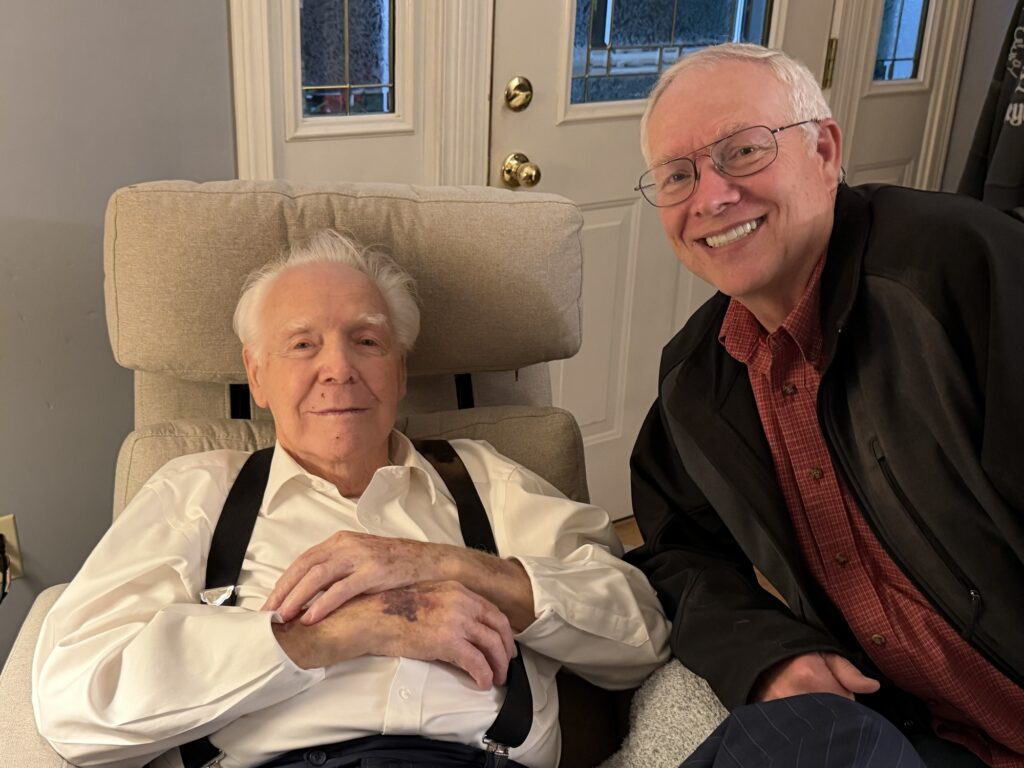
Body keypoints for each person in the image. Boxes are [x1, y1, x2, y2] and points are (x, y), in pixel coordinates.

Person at [32, 230, 671, 768]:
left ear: (399, 369)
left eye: (366, 341)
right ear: (257, 375)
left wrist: (446, 565)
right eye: (302, 344)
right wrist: (343, 631)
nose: (338, 368)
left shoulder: (481, 479)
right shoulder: (197, 490)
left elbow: (642, 634)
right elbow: (75, 698)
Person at [628, 42, 1024, 767]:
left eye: (744, 151)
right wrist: (767, 653)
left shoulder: (962, 270)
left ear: (825, 150)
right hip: (920, 729)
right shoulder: (696, 377)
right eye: (679, 175)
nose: (710, 198)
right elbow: (677, 553)